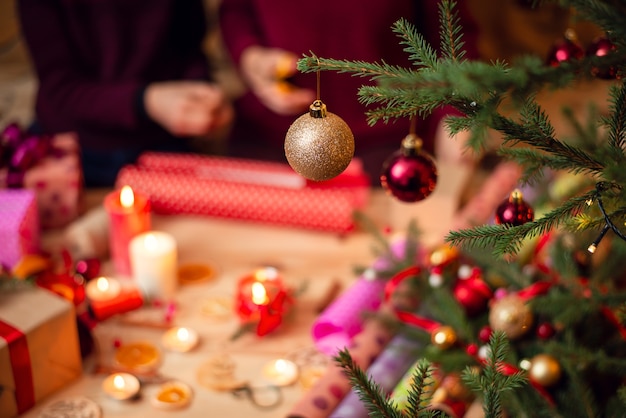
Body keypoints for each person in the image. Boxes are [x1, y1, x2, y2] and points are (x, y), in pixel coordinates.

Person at [218, 0, 480, 181]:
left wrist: (457, 109)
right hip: (266, 140)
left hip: (384, 144)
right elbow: (235, 11)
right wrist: (250, 56)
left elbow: (452, 34)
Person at [17, 0, 234, 187]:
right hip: (71, 148)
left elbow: (189, 47)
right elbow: (60, 88)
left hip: (164, 142)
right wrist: (146, 101)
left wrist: (200, 92)